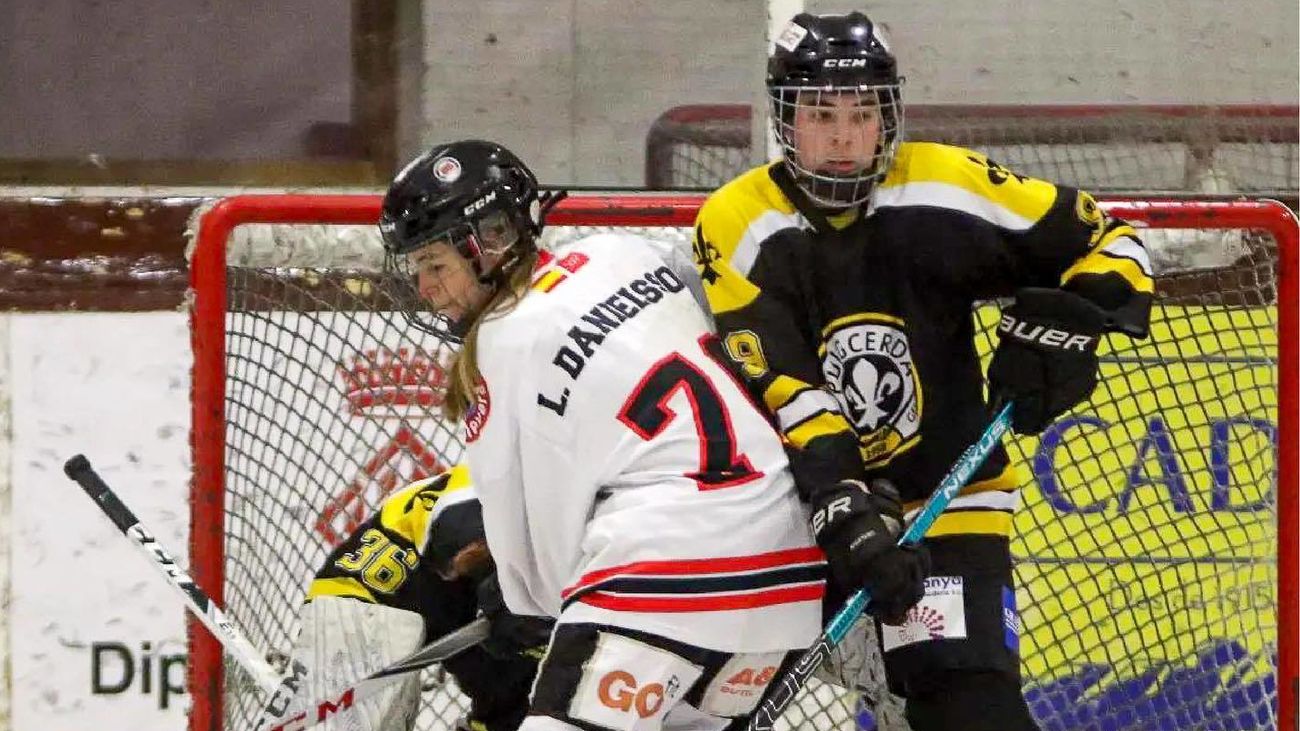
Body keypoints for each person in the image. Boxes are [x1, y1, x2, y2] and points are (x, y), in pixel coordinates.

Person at [691, 11, 1154, 731]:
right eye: (820, 114)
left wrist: (1068, 326)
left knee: (973, 712)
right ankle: (867, 653)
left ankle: (909, 670)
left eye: (862, 113)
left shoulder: (943, 183)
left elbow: (1109, 240)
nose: (843, 138)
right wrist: (846, 512)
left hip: (945, 494)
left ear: (888, 116)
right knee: (692, 704)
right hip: (791, 510)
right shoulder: (736, 223)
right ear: (785, 120)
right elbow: (790, 393)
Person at [377, 139, 929, 731]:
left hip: (658, 580)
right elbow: (744, 342)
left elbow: (538, 556)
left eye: (435, 265)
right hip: (784, 580)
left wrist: (523, 603)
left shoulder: (502, 342)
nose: (425, 289)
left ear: (491, 239)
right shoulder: (622, 252)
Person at [291, 463, 542, 731]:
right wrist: (504, 585)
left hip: (453, 606)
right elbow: (455, 530)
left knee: (520, 694)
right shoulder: (501, 481)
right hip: (368, 595)